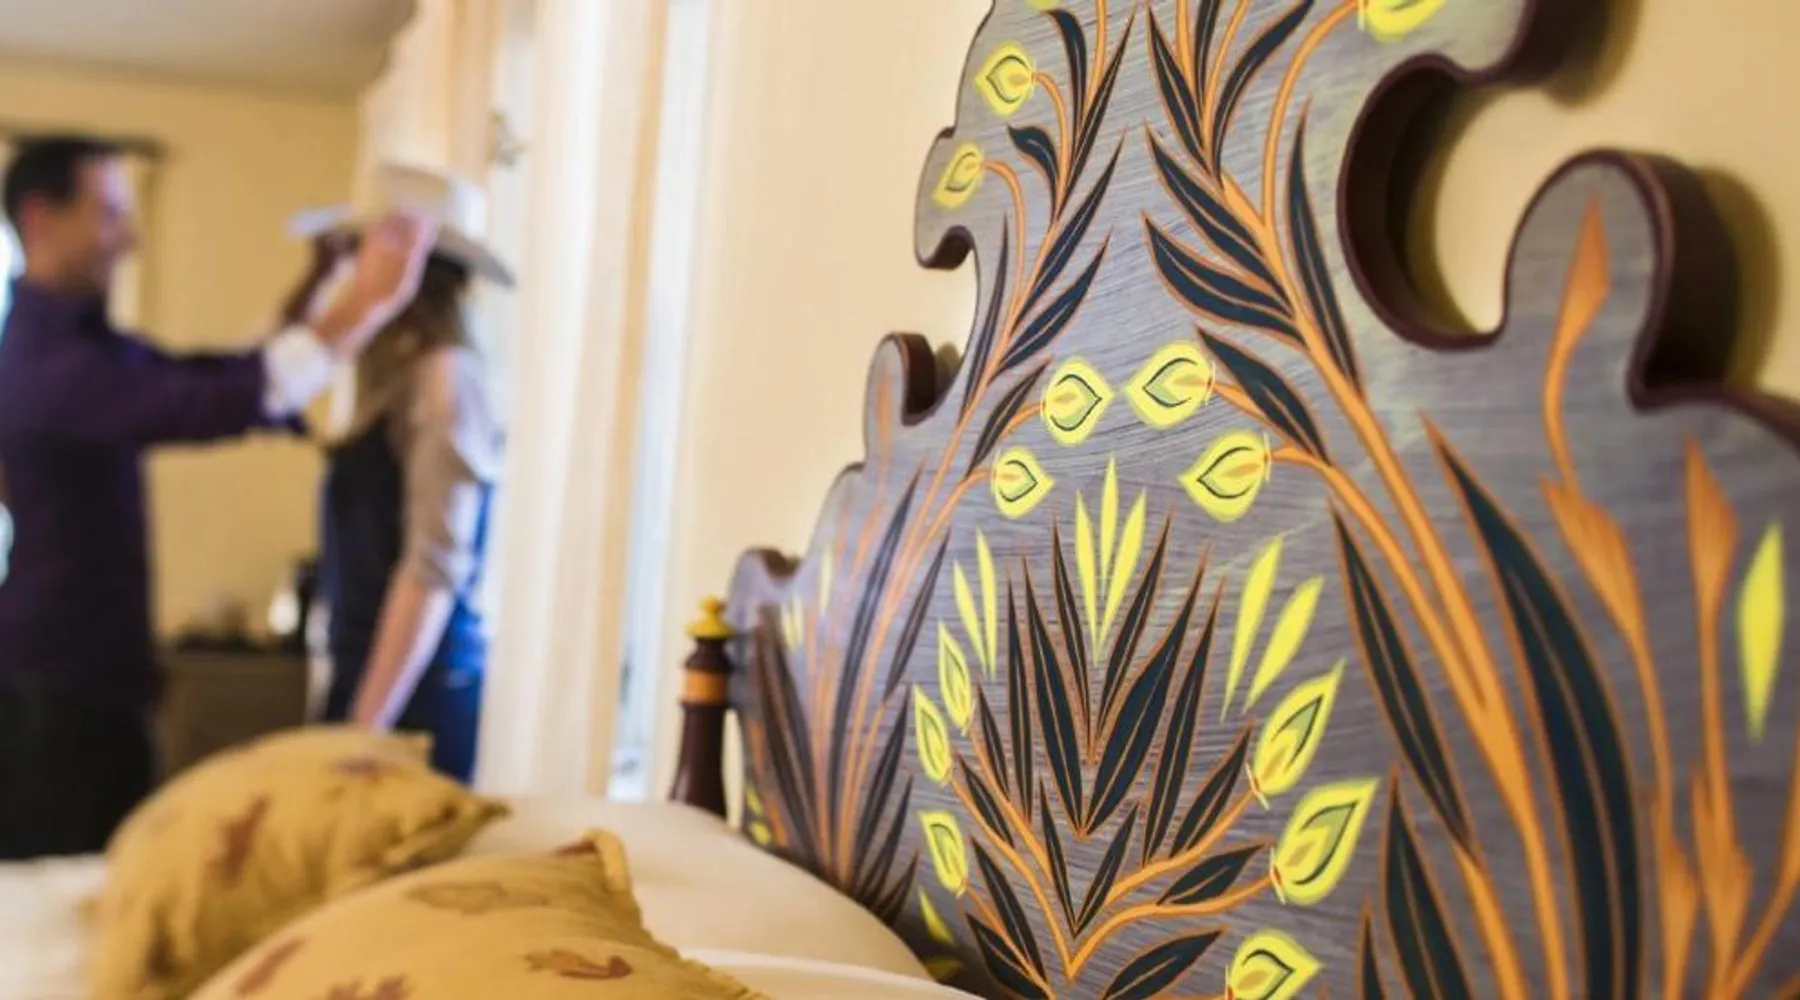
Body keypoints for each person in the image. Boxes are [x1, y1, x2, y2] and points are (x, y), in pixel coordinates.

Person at [0, 135, 437, 859]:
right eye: (109, 215)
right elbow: (219, 401)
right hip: (56, 699)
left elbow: (216, 377)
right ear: (42, 219)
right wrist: (362, 306)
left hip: (91, 688)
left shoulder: (78, 345)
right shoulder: (45, 364)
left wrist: (314, 293)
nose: (130, 238)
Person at [300, 163, 509, 784]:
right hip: (367, 678)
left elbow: (432, 568)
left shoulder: (446, 384)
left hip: (410, 699)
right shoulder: (394, 378)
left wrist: (366, 728)